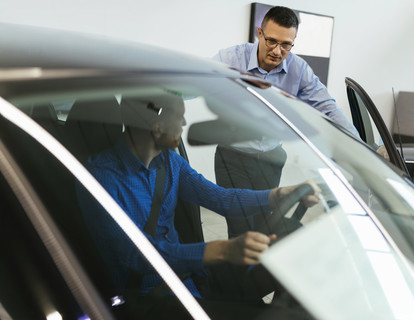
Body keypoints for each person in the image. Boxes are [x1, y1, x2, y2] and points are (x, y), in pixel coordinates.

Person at [78, 92, 319, 318]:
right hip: (152, 300)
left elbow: (221, 198)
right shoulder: (101, 178)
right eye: (179, 115)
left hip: (193, 275)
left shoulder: (171, 162)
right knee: (262, 314)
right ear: (156, 126)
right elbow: (139, 255)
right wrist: (221, 250)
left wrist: (277, 194)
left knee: (291, 246)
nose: (184, 122)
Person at [213, 6, 358, 238]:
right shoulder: (230, 59)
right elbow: (190, 87)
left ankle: (258, 272)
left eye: (286, 45)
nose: (277, 51)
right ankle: (238, 270)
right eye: (271, 41)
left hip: (270, 158)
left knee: (265, 226)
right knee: (240, 229)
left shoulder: (299, 70)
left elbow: (328, 108)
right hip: (233, 157)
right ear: (259, 33)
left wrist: (361, 146)